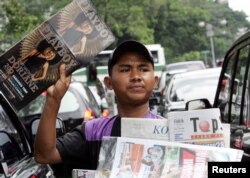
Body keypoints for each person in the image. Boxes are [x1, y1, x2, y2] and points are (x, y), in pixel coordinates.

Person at [34, 40, 165, 175]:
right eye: (125, 69)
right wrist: (53, 100)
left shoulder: (171, 133)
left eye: (143, 69)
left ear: (155, 81)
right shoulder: (93, 132)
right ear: (109, 83)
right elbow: (45, 155)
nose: (136, 76)